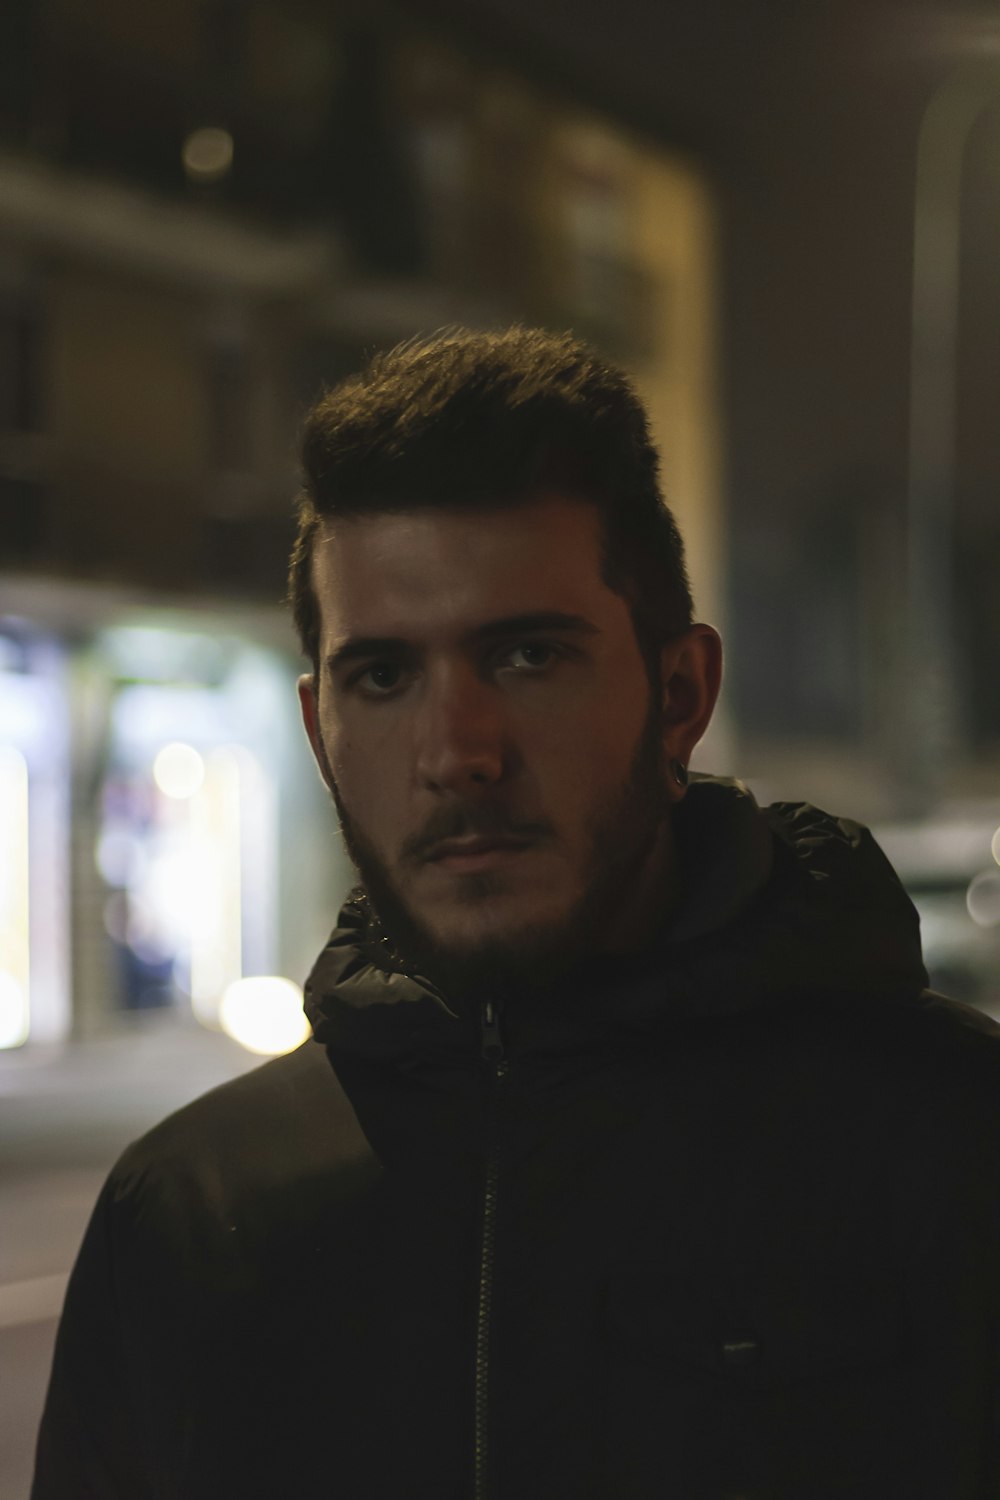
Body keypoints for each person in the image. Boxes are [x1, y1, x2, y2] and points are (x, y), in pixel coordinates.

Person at [33, 327, 1000, 1500]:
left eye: (529, 656)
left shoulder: (949, 1149)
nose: (456, 752)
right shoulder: (189, 1211)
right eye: (383, 677)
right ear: (316, 731)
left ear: (681, 692)